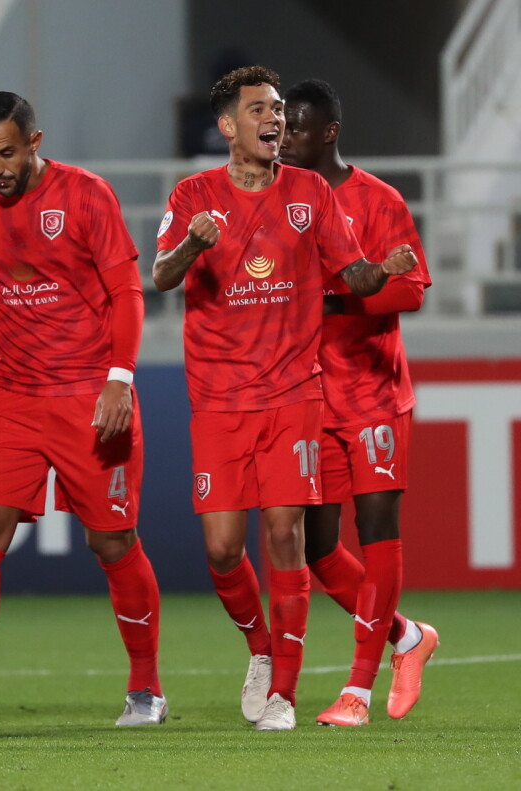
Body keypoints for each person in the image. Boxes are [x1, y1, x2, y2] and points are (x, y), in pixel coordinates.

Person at [151, 65, 418, 731]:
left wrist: (380, 272)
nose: (275, 120)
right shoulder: (192, 194)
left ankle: (286, 696)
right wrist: (192, 243)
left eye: (278, 110)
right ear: (227, 127)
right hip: (217, 396)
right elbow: (157, 275)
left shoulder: (308, 193)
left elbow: (352, 272)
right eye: (260, 111)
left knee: (286, 533)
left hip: (297, 393)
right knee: (220, 547)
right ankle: (261, 649)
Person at [0, 91, 165, 731]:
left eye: (8, 153)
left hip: (89, 392)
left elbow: (128, 291)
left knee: (111, 540)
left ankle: (146, 688)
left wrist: (119, 380)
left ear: (35, 143)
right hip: (13, 394)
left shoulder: (87, 196)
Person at [280, 78, 439, 727]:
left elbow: (410, 291)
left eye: (295, 128)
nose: (283, 137)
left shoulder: (378, 200)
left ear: (329, 132)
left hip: (374, 393)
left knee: (377, 535)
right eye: (280, 127)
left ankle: (357, 689)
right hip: (311, 396)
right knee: (319, 547)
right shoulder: (284, 206)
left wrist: (334, 298)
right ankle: (408, 636)